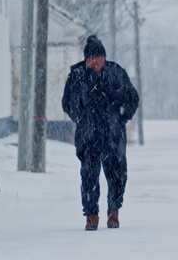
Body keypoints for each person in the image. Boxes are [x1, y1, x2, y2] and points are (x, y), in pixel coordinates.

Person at [62, 35, 139, 231]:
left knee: (117, 175)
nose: (96, 61)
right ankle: (91, 215)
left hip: (112, 135)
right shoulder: (77, 75)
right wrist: (80, 118)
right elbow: (68, 103)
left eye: (99, 57)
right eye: (92, 58)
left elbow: (132, 98)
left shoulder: (116, 73)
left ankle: (114, 211)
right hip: (88, 136)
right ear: (86, 59)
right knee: (89, 176)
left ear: (104, 58)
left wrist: (122, 118)